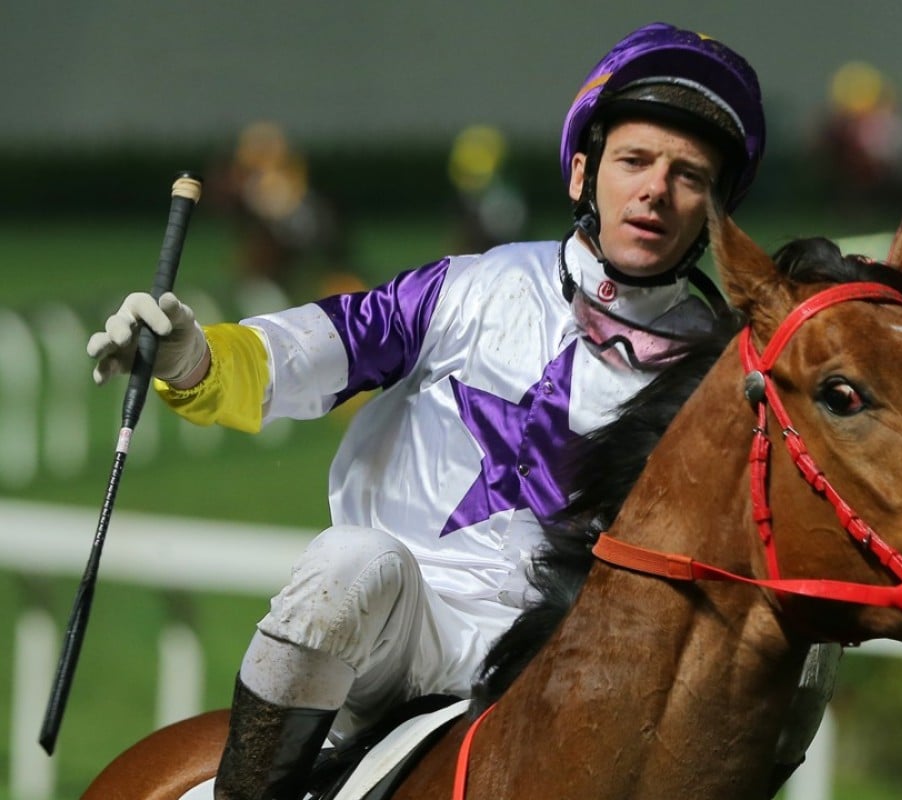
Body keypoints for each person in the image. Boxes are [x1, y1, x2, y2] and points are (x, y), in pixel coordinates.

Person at [87, 22, 840, 799]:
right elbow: (313, 350)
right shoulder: (470, 287)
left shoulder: (722, 366)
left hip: (586, 662)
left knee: (808, 640)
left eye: (690, 176)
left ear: (717, 211)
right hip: (411, 624)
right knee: (346, 564)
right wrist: (194, 358)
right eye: (635, 161)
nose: (656, 190)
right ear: (585, 173)